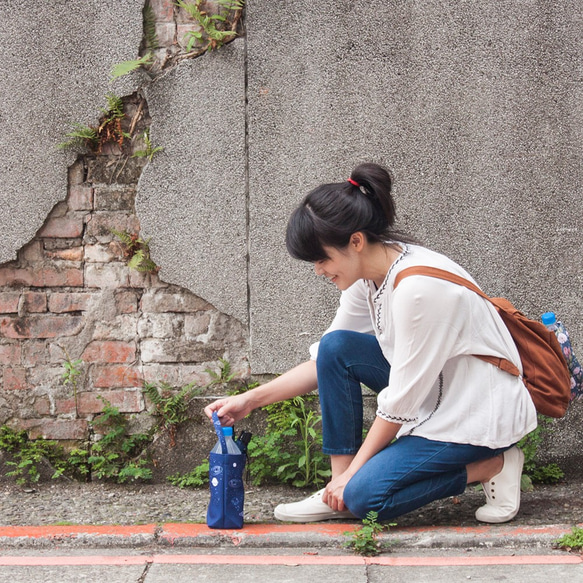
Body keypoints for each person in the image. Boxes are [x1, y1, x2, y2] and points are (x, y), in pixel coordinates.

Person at [204, 162, 537, 524]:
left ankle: (492, 464)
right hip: (436, 393)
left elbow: (401, 401)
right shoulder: (368, 277)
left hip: (474, 413)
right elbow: (325, 361)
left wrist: (355, 477)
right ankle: (336, 489)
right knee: (336, 348)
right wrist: (248, 400)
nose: (319, 270)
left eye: (322, 258)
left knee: (366, 497)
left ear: (356, 241)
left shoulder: (419, 291)